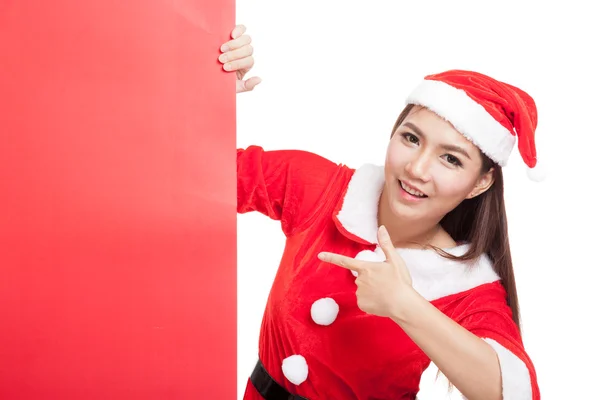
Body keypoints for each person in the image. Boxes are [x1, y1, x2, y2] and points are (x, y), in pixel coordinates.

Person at [219, 25, 542, 400]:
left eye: (450, 159)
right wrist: (208, 95)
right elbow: (184, 179)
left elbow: (516, 392)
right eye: (411, 138)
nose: (417, 169)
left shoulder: (467, 286)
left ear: (480, 184)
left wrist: (405, 305)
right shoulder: (322, 189)